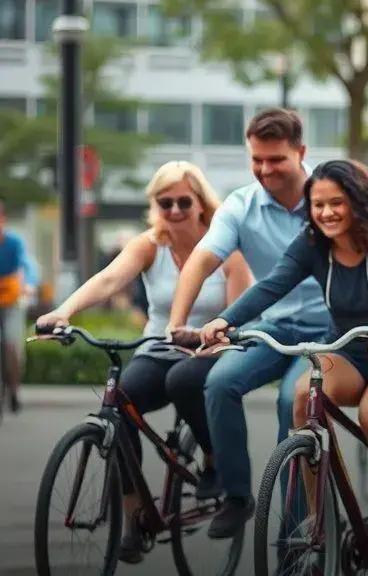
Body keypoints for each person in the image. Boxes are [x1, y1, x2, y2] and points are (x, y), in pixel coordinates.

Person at [34, 161, 251, 563]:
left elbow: (238, 313)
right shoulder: (151, 244)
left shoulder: (227, 250)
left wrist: (210, 338)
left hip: (210, 351)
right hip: (158, 347)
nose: (174, 211)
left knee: (183, 381)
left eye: (183, 202)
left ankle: (214, 459)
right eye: (165, 203)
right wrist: (63, 311)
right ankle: (135, 517)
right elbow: (109, 279)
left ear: (201, 203)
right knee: (120, 403)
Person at [199, 160, 368, 485]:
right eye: (318, 205)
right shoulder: (312, 242)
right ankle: (316, 509)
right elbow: (272, 285)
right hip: (348, 352)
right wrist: (225, 320)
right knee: (304, 398)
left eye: (337, 203)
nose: (326, 213)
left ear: (358, 202)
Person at [167, 108, 331, 538]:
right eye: (257, 159)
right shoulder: (241, 205)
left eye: (276, 159)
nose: (265, 169)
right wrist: (177, 321)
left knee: (290, 403)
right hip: (273, 326)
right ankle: (236, 495)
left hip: (329, 331)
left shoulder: (329, 197)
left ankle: (296, 527)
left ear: (301, 153)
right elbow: (202, 260)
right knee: (219, 383)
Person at [0, 200, 40, 413]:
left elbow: (27, 265)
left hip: (12, 299)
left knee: (12, 344)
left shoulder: (14, 242)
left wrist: (30, 284)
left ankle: (14, 389)